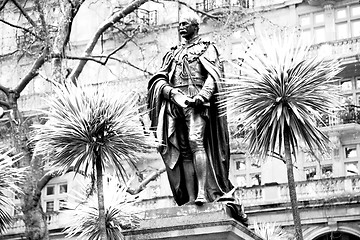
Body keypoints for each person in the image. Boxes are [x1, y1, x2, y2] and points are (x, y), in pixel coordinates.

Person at [147, 14, 232, 206]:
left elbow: (213, 75)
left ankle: (203, 192)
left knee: (196, 142)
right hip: (175, 103)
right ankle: (191, 197)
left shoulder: (207, 47)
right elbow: (159, 78)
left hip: (197, 101)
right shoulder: (173, 52)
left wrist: (203, 96)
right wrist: (170, 93)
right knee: (183, 149)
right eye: (179, 24)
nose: (181, 27)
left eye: (185, 24)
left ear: (196, 27)